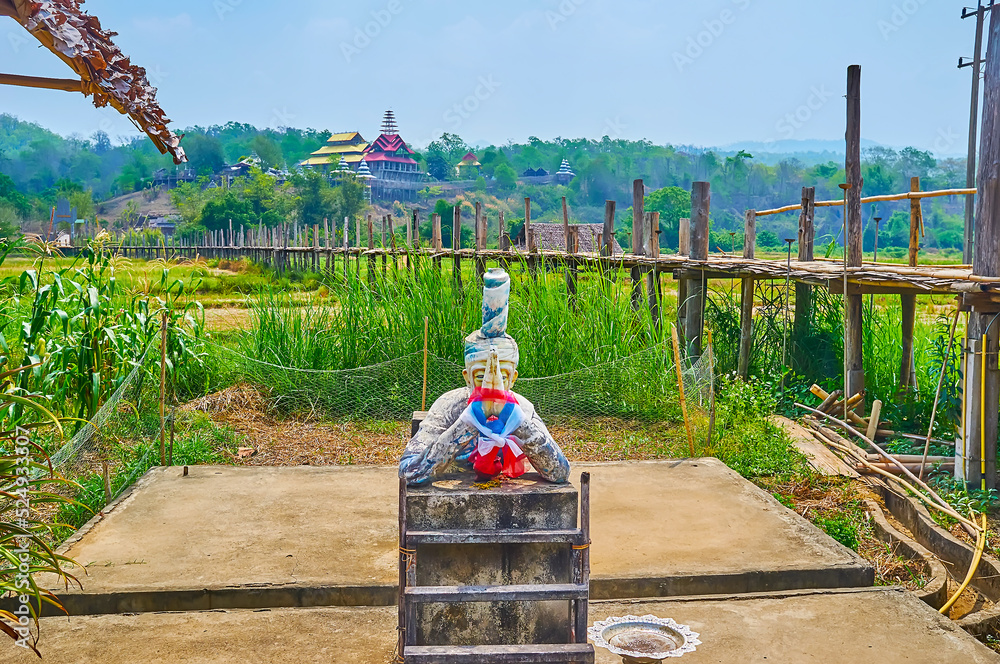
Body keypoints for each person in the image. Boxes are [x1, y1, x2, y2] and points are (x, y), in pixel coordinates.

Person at [399, 268, 570, 486]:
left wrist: (519, 423)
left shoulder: (522, 409)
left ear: (514, 378)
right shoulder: (450, 406)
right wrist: (469, 422)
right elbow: (408, 471)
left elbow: (560, 472)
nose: (492, 388)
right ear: (467, 377)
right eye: (480, 378)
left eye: (503, 377)